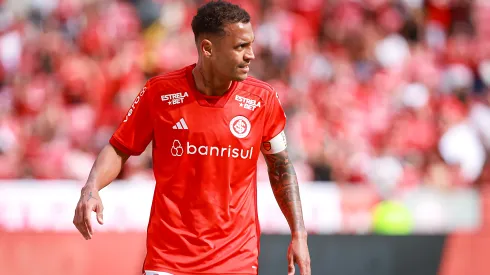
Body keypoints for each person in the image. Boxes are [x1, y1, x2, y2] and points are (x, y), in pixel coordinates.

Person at [73, 1, 311, 274]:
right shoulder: (159, 93)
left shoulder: (262, 99)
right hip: (169, 260)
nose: (251, 55)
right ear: (208, 49)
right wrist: (91, 188)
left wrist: (299, 234)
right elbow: (119, 148)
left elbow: (280, 166)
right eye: (240, 47)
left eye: (251, 44)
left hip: (236, 260)